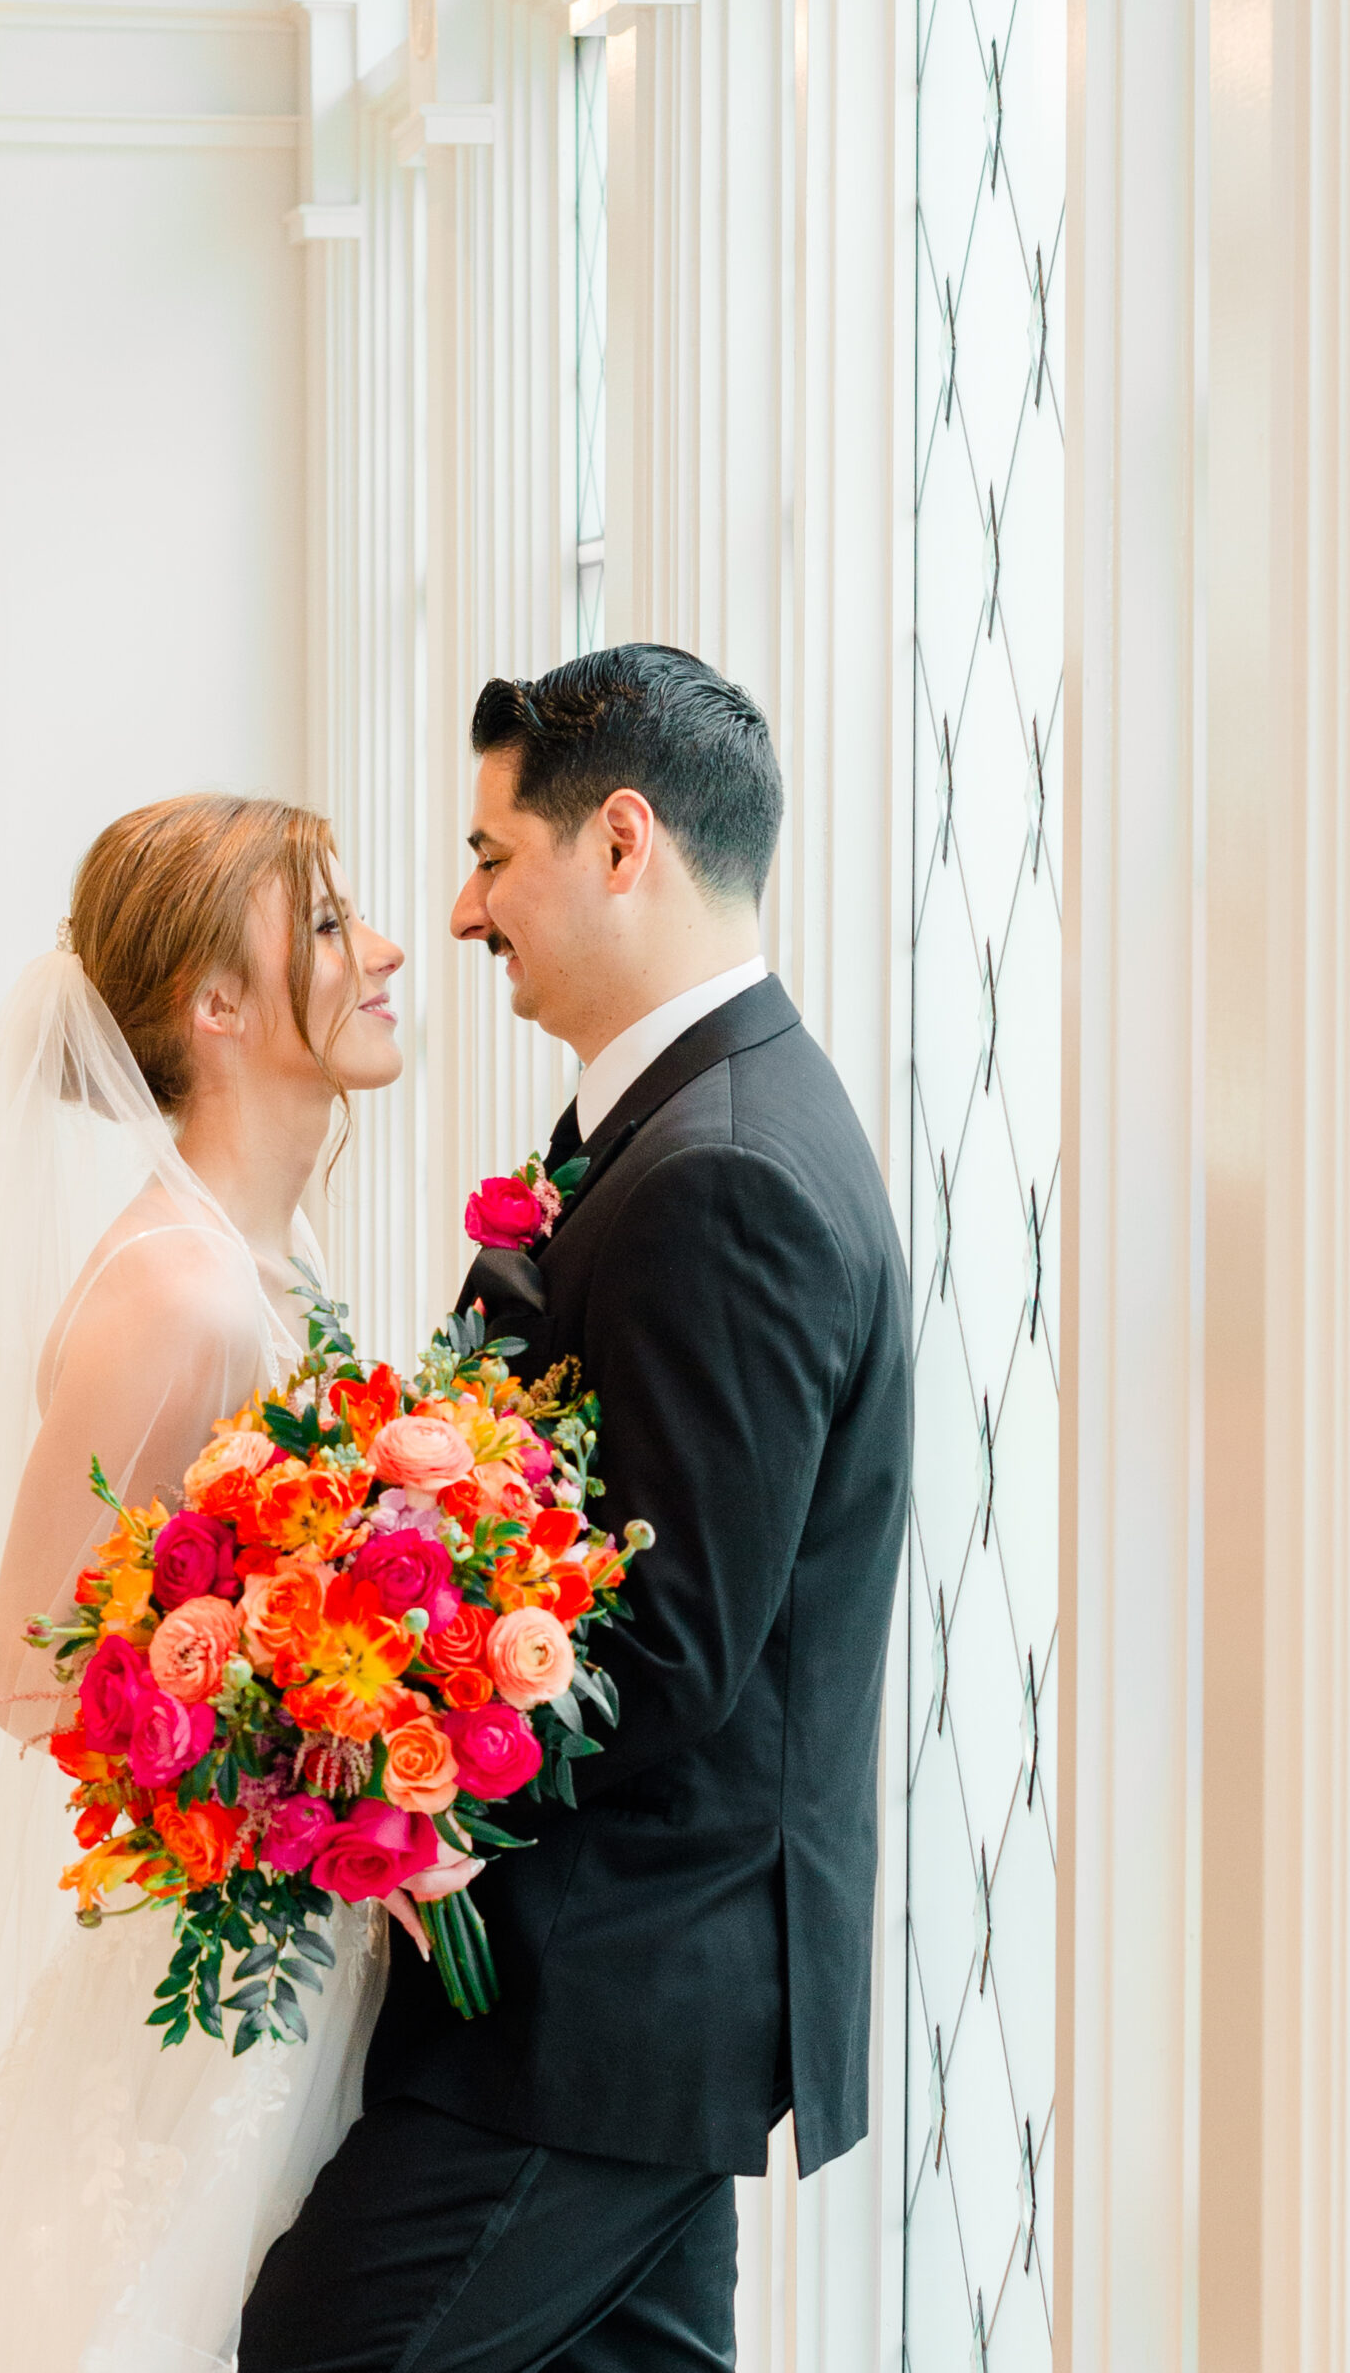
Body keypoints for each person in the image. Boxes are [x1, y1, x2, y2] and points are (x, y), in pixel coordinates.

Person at [240, 646, 912, 2373]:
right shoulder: (676, 1120)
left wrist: (384, 1764)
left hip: (604, 2000)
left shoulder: (726, 1170)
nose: (463, 913)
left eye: (491, 857)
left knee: (318, 2349)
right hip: (624, 1992)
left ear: (622, 843)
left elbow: (668, 1644)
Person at [0, 795, 406, 2373]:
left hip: (303, 1942)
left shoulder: (277, 1258)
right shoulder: (181, 1295)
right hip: (216, 1970)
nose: (386, 951)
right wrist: (306, 1743)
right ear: (217, 1006)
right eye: (331, 926)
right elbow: (21, 1671)